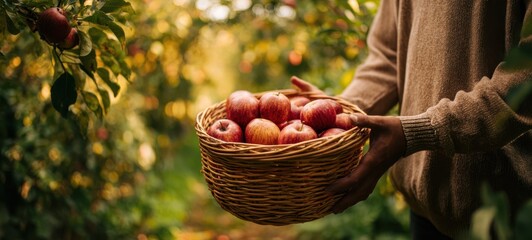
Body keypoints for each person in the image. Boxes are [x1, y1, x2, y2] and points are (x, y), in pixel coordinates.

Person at [291, 0, 532, 238]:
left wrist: (418, 131)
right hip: (424, 209)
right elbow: (388, 56)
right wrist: (337, 113)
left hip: (506, 215)